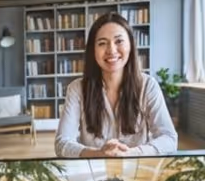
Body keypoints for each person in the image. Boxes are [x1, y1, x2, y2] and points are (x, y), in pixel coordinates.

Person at [54, 11, 177, 157]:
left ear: (130, 45)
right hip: (94, 167)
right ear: (93, 50)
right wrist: (99, 154)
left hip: (136, 166)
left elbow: (169, 139)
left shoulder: (148, 85)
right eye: (102, 43)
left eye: (119, 41)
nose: (111, 50)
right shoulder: (77, 89)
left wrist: (132, 153)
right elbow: (62, 143)